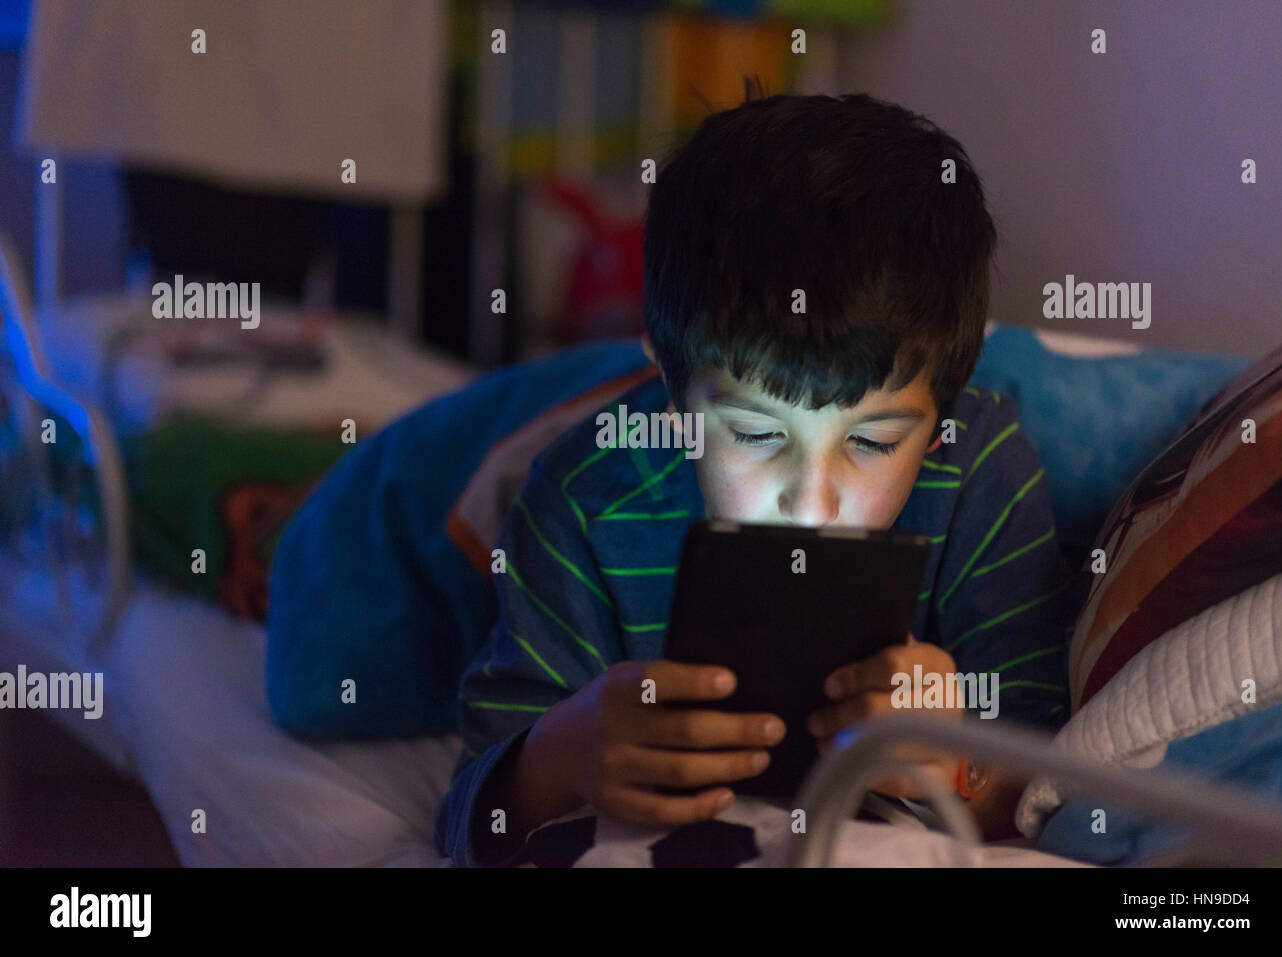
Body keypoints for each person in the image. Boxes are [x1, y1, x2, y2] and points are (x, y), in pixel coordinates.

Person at [435, 89, 1075, 866]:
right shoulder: (583, 502)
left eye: (872, 441)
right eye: (755, 433)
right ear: (672, 393)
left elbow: (1053, 787)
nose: (811, 502)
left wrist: (958, 757)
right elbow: (473, 821)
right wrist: (560, 757)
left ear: (937, 420)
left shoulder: (980, 468)